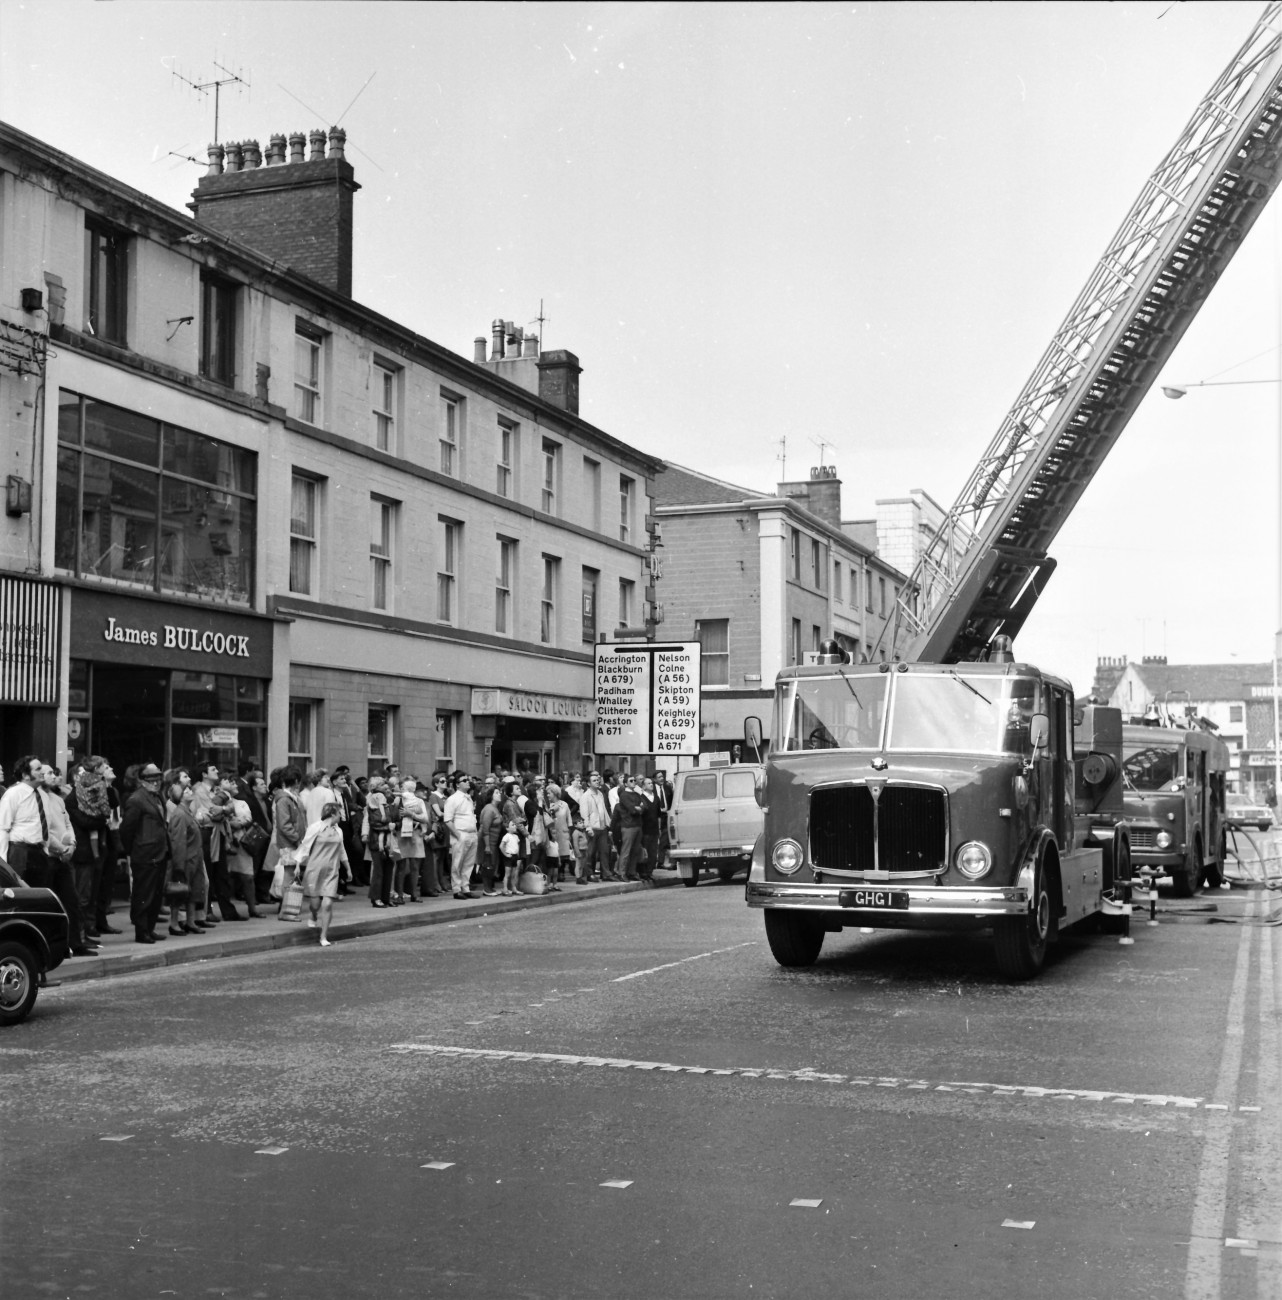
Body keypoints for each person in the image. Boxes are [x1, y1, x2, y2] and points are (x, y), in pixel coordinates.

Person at [117, 762, 172, 945]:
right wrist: (134, 849)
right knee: (144, 895)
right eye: (151, 777)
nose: (155, 781)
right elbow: (126, 830)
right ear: (141, 779)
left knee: (156, 895)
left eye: (158, 777)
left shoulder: (158, 796)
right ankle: (142, 932)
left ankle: (150, 928)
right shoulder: (136, 800)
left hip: (160, 852)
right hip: (145, 853)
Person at [294, 801, 349, 947]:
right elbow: (305, 845)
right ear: (332, 814)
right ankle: (313, 914)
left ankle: (323, 936)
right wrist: (298, 864)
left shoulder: (339, 830)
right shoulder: (315, 828)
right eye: (339, 813)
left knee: (328, 904)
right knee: (315, 904)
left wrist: (348, 868)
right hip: (315, 869)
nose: (341, 816)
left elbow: (342, 849)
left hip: (332, 871)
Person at [164, 770, 206, 934]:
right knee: (179, 893)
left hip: (194, 858)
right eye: (186, 791)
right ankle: (174, 923)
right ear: (180, 797)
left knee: (193, 891)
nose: (190, 791)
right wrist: (178, 865)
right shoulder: (180, 815)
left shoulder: (187, 812)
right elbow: (178, 841)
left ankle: (190, 921)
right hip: (186, 859)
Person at [266, 766, 308, 909]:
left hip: (294, 842)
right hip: (290, 843)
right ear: (296, 781)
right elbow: (284, 825)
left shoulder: (289, 797)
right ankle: (287, 908)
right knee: (289, 875)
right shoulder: (284, 799)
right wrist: (297, 839)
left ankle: (290, 907)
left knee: (293, 875)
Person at [222, 777, 262, 917]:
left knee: (248, 876)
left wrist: (234, 822)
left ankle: (252, 907)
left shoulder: (242, 803)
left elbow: (247, 819)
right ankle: (226, 908)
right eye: (230, 782)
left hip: (241, 843)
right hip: (225, 843)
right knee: (226, 877)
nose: (234, 785)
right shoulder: (217, 801)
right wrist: (232, 822)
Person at [443, 773, 478, 899]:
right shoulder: (453, 799)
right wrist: (457, 834)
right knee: (457, 862)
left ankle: (466, 887)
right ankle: (457, 889)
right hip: (461, 833)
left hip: (472, 832)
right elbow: (447, 820)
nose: (468, 782)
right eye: (464, 781)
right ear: (457, 784)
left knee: (469, 863)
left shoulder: (468, 798)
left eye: (468, 780)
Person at [397, 775, 431, 901]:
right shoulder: (399, 800)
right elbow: (395, 815)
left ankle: (414, 893)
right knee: (401, 866)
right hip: (402, 833)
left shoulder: (419, 801)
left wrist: (411, 814)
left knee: (415, 866)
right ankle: (399, 894)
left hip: (416, 833)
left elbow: (425, 818)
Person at [577, 771, 614, 881]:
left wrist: (608, 824)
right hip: (592, 827)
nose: (597, 782)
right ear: (588, 784)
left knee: (604, 852)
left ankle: (606, 874)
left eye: (598, 780)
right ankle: (589, 873)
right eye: (594, 781)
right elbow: (584, 814)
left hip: (602, 827)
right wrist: (588, 828)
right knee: (590, 853)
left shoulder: (600, 794)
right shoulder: (585, 796)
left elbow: (604, 811)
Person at [364, 775, 394, 907]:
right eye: (382, 785)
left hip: (386, 838)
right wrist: (388, 826)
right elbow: (375, 822)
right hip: (376, 839)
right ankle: (376, 897)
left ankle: (385, 897)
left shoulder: (384, 800)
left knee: (388, 867)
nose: (385, 787)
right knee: (379, 870)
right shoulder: (373, 801)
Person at [616, 775, 645, 881]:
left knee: (635, 850)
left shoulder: (637, 794)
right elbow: (631, 809)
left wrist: (639, 808)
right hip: (628, 826)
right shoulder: (624, 795)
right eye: (631, 781)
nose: (634, 782)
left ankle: (632, 872)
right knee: (626, 850)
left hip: (638, 824)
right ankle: (622, 873)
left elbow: (644, 806)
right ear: (625, 783)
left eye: (634, 780)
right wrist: (638, 808)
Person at [478, 785, 504, 896]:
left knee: (492, 864)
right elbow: (485, 828)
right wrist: (487, 846)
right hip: (487, 841)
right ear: (491, 796)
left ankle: (489, 888)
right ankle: (486, 889)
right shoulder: (489, 809)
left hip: (493, 841)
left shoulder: (495, 808)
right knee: (487, 864)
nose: (500, 794)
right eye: (497, 793)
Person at [638, 776, 661, 885]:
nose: (651, 785)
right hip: (645, 829)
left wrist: (659, 828)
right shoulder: (641, 798)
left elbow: (658, 815)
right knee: (645, 852)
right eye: (648, 783)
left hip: (654, 829)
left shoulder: (656, 798)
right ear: (643, 786)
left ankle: (650, 871)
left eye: (651, 783)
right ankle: (643, 872)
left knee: (653, 852)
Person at [499, 821, 522, 896]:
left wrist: (518, 856)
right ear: (507, 828)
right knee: (507, 874)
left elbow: (517, 846)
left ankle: (513, 888)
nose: (515, 826)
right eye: (512, 825)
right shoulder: (507, 836)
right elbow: (501, 846)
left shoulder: (516, 837)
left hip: (515, 856)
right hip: (509, 857)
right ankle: (505, 889)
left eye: (515, 824)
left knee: (513, 874)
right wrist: (506, 854)